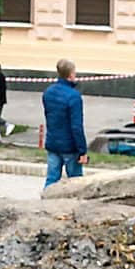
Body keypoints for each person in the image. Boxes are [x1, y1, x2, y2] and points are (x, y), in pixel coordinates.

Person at [41, 58, 87, 187]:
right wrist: (82, 150)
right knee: (76, 183)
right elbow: (76, 126)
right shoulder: (74, 96)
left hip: (52, 143)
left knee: (51, 179)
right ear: (71, 74)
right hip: (70, 147)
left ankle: (45, 203)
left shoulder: (48, 92)